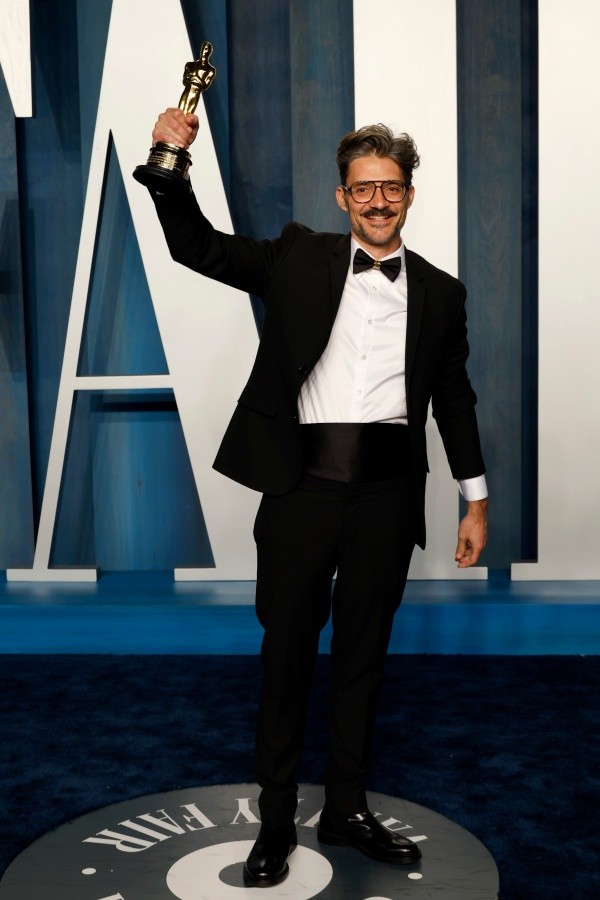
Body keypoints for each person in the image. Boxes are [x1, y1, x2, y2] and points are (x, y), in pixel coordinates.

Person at [145, 109, 488, 888]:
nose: (378, 200)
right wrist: (170, 158)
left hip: (389, 498)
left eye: (391, 187)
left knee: (364, 659)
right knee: (288, 656)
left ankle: (346, 807)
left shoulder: (441, 291)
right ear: (342, 197)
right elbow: (195, 247)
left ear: (408, 194)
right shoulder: (297, 258)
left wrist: (475, 499)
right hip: (301, 490)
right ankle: (274, 822)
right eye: (364, 188)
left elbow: (455, 398)